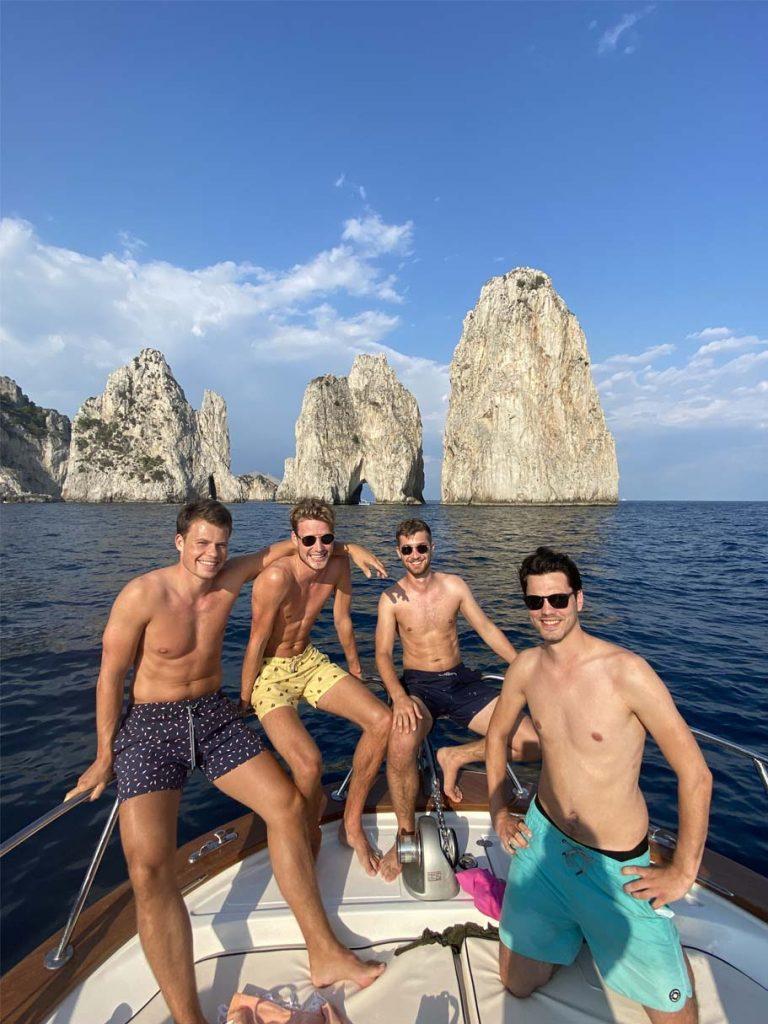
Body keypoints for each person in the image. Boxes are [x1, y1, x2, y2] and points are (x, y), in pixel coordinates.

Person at [65, 500, 387, 1024]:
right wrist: (104, 756)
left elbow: (292, 547)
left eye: (220, 544)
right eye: (201, 543)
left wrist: (350, 546)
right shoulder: (143, 594)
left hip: (213, 714)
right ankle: (188, 1017)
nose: (211, 554)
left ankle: (324, 952)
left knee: (288, 806)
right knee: (149, 868)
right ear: (179, 542)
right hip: (150, 726)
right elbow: (111, 675)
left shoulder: (232, 576)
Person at [487, 546, 712, 1023]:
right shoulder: (525, 668)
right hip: (544, 843)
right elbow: (497, 736)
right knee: (516, 983)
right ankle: (575, 929)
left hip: (616, 865)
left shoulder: (627, 672)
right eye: (535, 601)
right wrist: (499, 812)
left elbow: (696, 773)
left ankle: (645, 947)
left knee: (676, 1017)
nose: (547, 610)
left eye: (558, 599)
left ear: (579, 599)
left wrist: (682, 871)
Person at [375, 518, 540, 882]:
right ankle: (405, 836)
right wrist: (399, 697)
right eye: (407, 549)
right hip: (419, 687)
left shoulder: (455, 586)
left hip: (461, 681)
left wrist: (523, 668)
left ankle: (457, 756)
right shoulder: (391, 599)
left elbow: (487, 629)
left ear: (432, 548)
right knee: (400, 744)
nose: (415, 555)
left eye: (421, 547)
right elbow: (383, 655)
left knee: (532, 742)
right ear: (399, 553)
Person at [240, 497, 392, 877]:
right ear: (295, 539)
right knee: (308, 765)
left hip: (309, 661)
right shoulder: (276, 578)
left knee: (382, 721)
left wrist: (355, 668)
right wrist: (244, 698)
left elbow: (343, 621)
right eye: (308, 540)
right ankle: (308, 832)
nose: (318, 548)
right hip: (271, 674)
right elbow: (256, 641)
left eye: (326, 539)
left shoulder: (338, 564)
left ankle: (351, 823)